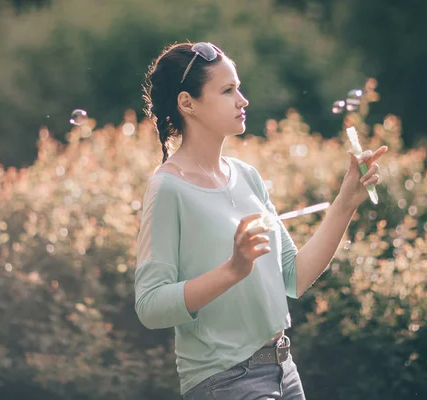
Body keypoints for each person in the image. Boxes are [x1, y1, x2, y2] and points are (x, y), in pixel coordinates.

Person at [135, 41, 388, 400]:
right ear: (187, 102)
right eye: (227, 90)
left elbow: (294, 276)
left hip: (284, 370)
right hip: (225, 380)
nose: (243, 100)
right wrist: (232, 270)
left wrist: (346, 202)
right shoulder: (167, 188)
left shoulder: (247, 175)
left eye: (238, 87)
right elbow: (150, 305)